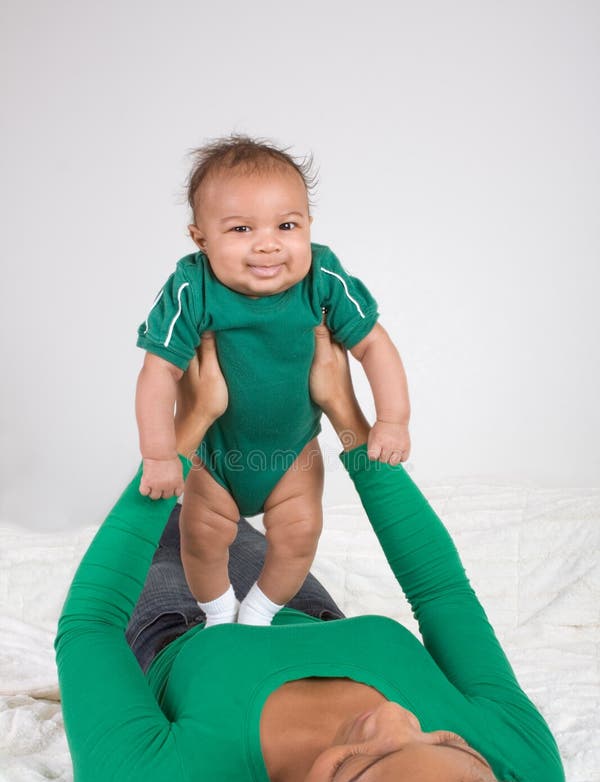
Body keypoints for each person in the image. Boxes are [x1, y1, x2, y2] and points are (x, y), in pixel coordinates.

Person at [55, 324, 600, 782]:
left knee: (163, 517)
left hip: (179, 619)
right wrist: (346, 410)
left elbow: (90, 624)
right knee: (225, 507)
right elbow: (444, 594)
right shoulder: (525, 773)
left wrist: (185, 431)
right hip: (300, 607)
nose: (394, 717)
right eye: (449, 742)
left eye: (353, 766)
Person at [135, 134, 411, 627]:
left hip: (292, 454)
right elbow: (159, 371)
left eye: (287, 225)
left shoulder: (322, 277)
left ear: (308, 225)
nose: (268, 243)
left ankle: (258, 614)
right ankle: (219, 616)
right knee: (200, 537)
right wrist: (160, 454)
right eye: (241, 228)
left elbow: (373, 344)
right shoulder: (190, 286)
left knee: (301, 533)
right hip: (215, 457)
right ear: (201, 239)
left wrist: (392, 419)